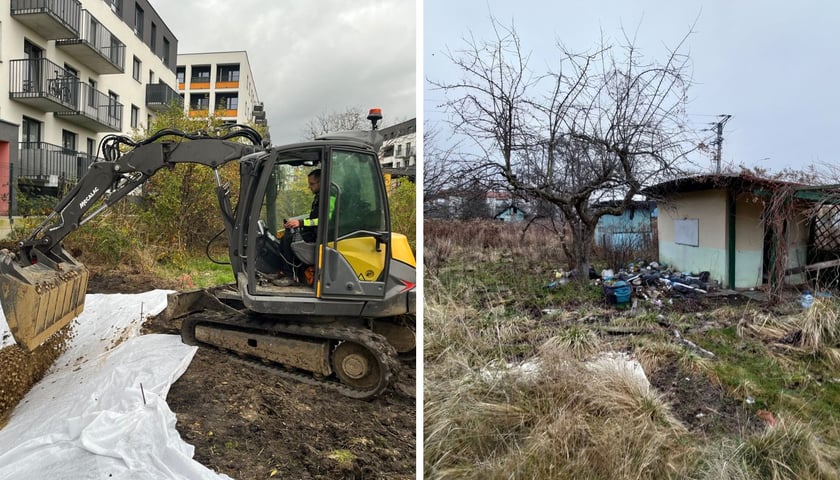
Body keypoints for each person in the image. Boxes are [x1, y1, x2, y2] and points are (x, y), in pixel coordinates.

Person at [275, 169, 326, 285]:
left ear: (321, 182)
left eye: (312, 184)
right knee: (286, 236)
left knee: (290, 239)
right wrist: (295, 223)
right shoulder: (319, 197)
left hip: (321, 235)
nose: (309, 187)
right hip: (314, 231)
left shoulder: (328, 198)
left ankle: (290, 276)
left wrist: (301, 223)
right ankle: (283, 271)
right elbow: (314, 218)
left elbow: (324, 220)